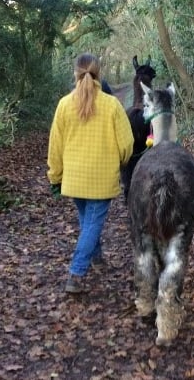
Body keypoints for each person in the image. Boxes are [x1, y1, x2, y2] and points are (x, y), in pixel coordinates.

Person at [47, 53, 134, 294]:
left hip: (74, 179)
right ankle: (76, 274)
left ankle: (96, 258)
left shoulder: (64, 104)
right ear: (99, 73)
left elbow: (55, 146)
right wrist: (120, 162)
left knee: (88, 222)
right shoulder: (112, 105)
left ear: (75, 73)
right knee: (92, 224)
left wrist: (55, 176)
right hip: (101, 179)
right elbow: (127, 144)